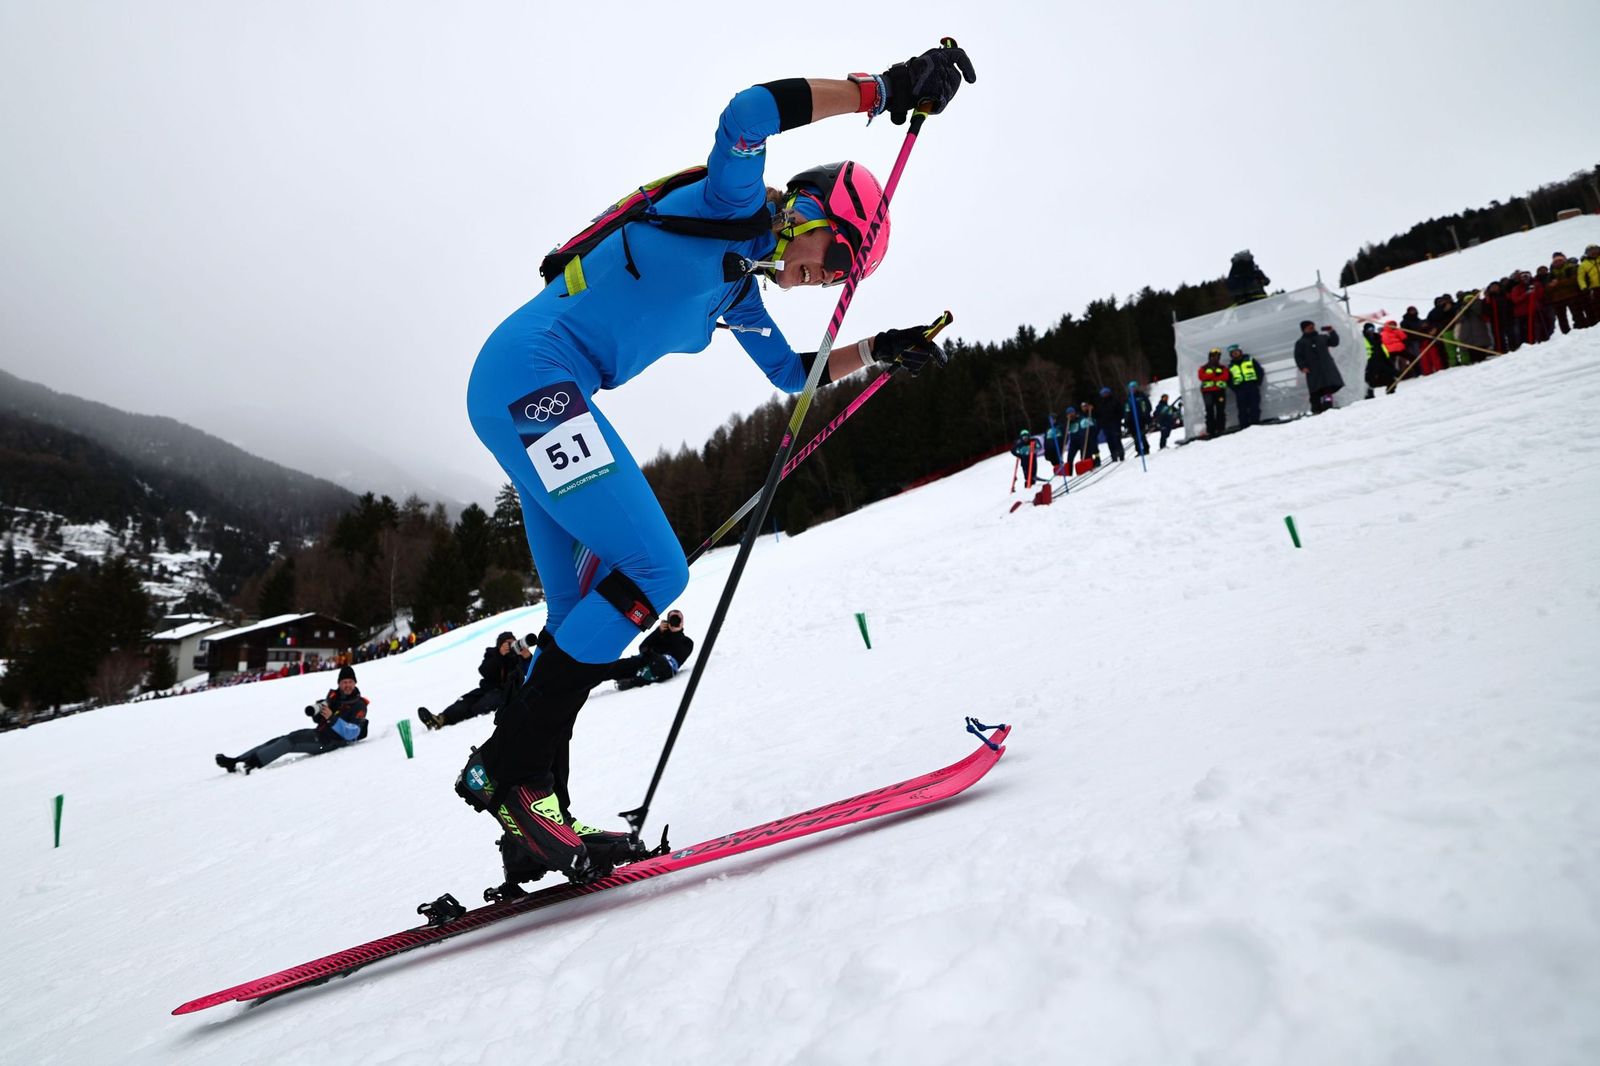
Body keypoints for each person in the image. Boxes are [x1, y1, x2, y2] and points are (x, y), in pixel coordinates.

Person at [454, 45, 976, 886]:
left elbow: (788, 375)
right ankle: (512, 775)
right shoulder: (735, 208)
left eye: (846, 276)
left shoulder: (739, 289)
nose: (824, 279)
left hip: (536, 390)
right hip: (532, 378)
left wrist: (880, 349)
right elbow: (747, 111)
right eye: (839, 259)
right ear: (812, 210)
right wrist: (884, 90)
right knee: (657, 573)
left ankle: (533, 818)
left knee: (579, 614)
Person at [215, 665, 369, 773]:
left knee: (290, 742)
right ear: (339, 684)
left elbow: (352, 733)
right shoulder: (334, 697)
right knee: (281, 739)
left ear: (355, 683)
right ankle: (237, 760)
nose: (347, 685)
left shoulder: (359, 705)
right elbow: (317, 721)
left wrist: (332, 719)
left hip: (331, 743)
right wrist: (318, 713)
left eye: (350, 682)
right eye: (344, 682)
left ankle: (252, 764)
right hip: (320, 734)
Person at [417, 631, 523, 730]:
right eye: (506, 643)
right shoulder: (493, 654)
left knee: (480, 707)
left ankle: (463, 715)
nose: (510, 646)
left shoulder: (519, 656)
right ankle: (441, 719)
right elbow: (484, 670)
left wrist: (523, 655)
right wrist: (500, 655)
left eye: (512, 642)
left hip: (503, 693)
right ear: (500, 645)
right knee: (465, 701)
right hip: (485, 689)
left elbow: (528, 671)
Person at [614, 610, 695, 691]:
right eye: (672, 619)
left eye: (678, 619)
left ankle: (633, 681)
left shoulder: (687, 642)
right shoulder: (660, 634)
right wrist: (658, 632)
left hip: (664, 667)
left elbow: (679, 654)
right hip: (647, 662)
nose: (675, 621)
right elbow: (643, 647)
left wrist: (676, 633)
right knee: (614, 666)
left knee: (660, 662)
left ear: (682, 622)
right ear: (668, 621)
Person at [1293, 320, 1343, 414]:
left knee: (1327, 389)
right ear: (1304, 329)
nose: (1312, 328)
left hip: (1326, 368)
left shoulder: (1322, 337)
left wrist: (1332, 332)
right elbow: (1298, 356)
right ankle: (1316, 409)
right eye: (1310, 327)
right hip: (1313, 370)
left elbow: (1334, 342)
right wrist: (1303, 367)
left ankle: (1328, 407)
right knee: (1315, 391)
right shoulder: (1301, 343)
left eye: (1313, 326)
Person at [1225, 343, 1266, 428]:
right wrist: (1235, 389)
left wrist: (1257, 383)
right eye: (1233, 352)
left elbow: (1260, 371)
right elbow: (1228, 380)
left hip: (1252, 386)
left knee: (1254, 406)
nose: (1235, 353)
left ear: (1240, 351)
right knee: (1242, 409)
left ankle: (1255, 425)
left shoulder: (1250, 360)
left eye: (1236, 351)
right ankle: (1244, 428)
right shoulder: (1230, 366)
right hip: (1240, 389)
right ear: (1231, 355)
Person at [1198, 348, 1229, 437]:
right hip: (1207, 393)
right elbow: (1201, 377)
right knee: (1209, 411)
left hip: (1220, 391)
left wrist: (1211, 377)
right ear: (1210, 357)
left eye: (1217, 356)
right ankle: (1211, 430)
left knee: (1220, 410)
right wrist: (1215, 375)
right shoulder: (1203, 368)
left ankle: (1220, 429)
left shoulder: (1223, 367)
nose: (1215, 358)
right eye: (1213, 356)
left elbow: (1225, 377)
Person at [1362, 322, 1396, 396]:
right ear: (1365, 330)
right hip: (1371, 361)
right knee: (1370, 379)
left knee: (1391, 374)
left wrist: (1387, 358)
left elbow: (1382, 348)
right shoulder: (1363, 338)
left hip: (1382, 359)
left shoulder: (1377, 337)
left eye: (1372, 328)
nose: (1371, 331)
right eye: (1369, 329)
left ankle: (1391, 390)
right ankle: (1369, 395)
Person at [1096, 387, 1125, 462]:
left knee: (1117, 439)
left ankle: (1121, 454)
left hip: (1115, 423)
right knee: (1110, 441)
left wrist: (1119, 420)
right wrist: (1100, 424)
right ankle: (1113, 455)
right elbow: (1099, 415)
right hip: (1106, 425)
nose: (1105, 395)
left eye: (1106, 393)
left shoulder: (1115, 401)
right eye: (1103, 394)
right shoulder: (1100, 404)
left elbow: (1120, 411)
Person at [1578, 245, 1600, 328]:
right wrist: (1583, 287)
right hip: (1594, 288)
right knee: (1597, 306)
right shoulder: (1584, 265)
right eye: (1591, 251)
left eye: (1595, 250)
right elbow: (1581, 278)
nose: (1594, 252)